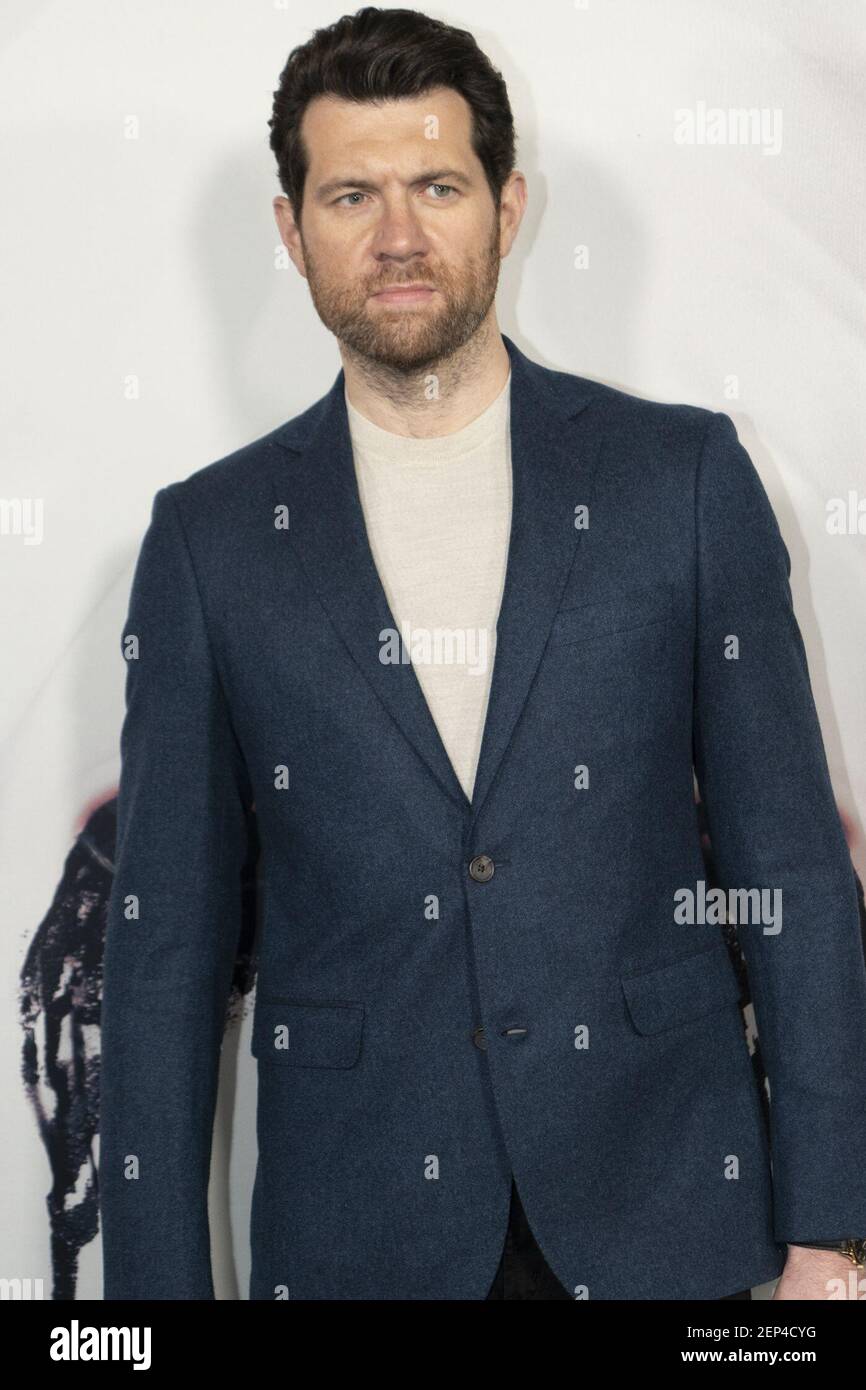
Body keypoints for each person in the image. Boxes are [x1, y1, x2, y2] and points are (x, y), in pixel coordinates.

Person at [99, 7, 866, 1300]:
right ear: (290, 230)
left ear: (506, 206)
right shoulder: (209, 539)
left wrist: (827, 1230)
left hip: (668, 1214)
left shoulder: (677, 480)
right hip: (359, 1238)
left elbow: (786, 868)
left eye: (436, 185)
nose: (398, 235)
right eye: (351, 193)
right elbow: (165, 951)